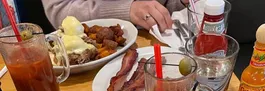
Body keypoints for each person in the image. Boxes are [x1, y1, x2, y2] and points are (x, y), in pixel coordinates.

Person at [42, 0, 187, 33]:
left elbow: (165, 3)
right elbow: (60, 11)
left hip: (159, 41)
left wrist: (179, 3)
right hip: (91, 55)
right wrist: (127, 10)